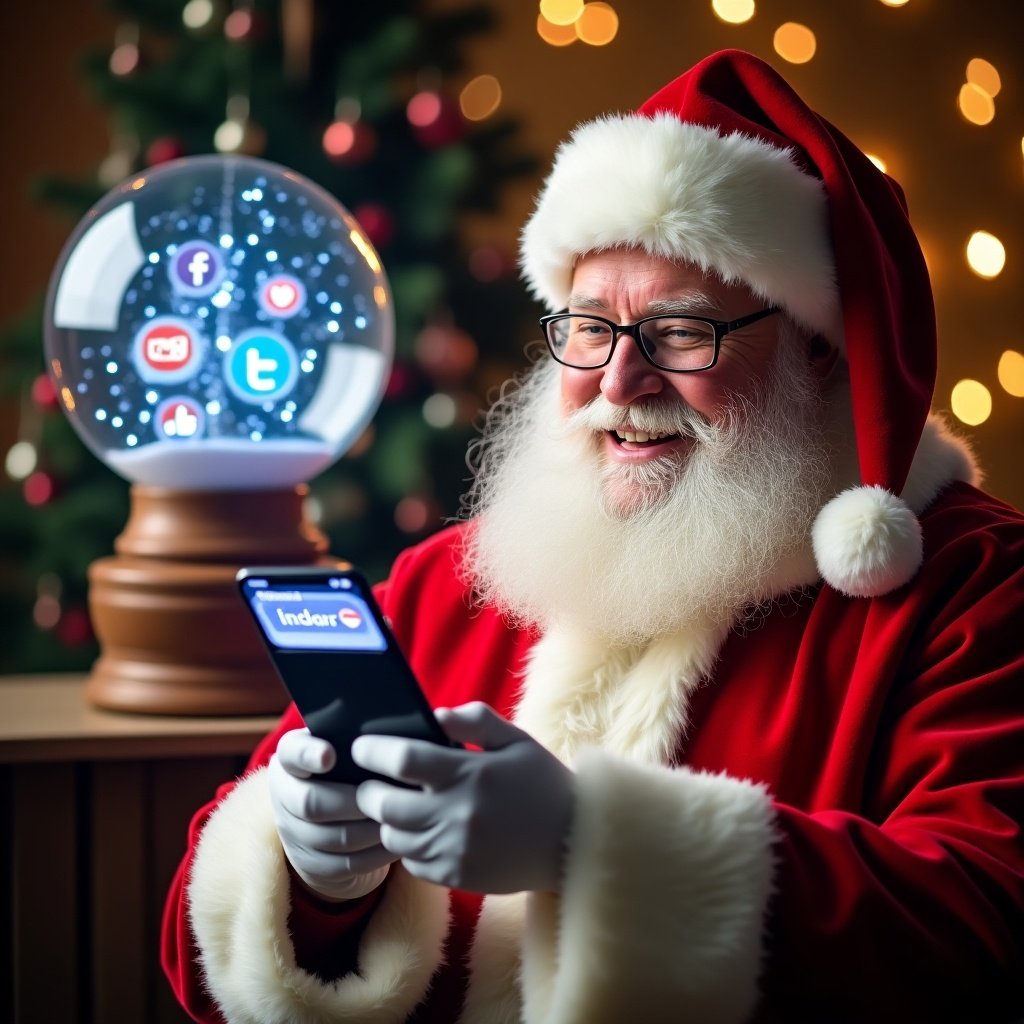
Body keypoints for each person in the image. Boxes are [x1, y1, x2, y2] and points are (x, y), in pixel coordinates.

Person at [162, 49, 1024, 1023]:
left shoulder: (973, 586)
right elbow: (194, 965)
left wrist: (591, 842)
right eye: (587, 328)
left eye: (681, 332)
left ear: (818, 356)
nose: (619, 383)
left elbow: (984, 921)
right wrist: (309, 875)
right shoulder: (449, 581)